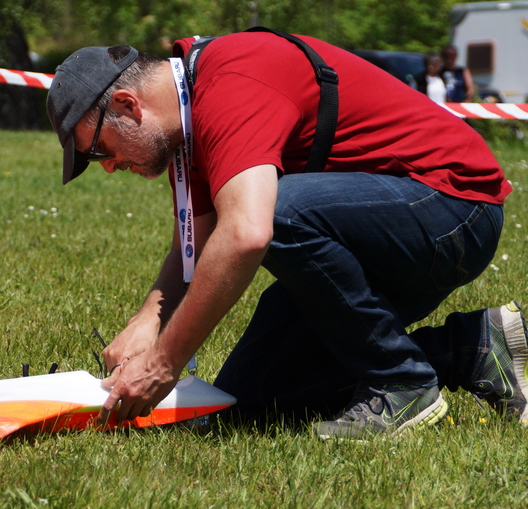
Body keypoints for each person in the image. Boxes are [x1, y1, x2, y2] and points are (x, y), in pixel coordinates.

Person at [46, 29, 521, 440]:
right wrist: (146, 322)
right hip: (394, 231)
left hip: (455, 209)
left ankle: (400, 383)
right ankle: (470, 348)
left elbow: (248, 233)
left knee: (281, 210)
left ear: (129, 106)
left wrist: (162, 366)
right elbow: (193, 244)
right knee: (246, 403)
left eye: (98, 150)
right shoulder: (186, 126)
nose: (109, 167)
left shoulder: (227, 86)